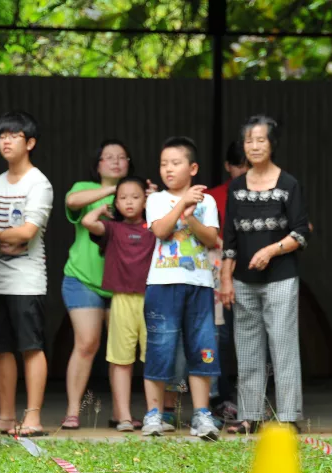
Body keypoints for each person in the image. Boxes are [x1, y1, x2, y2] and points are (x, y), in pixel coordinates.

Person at [220, 115, 310, 434]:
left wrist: (271, 250)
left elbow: (301, 233)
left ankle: (287, 416)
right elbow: (229, 238)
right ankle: (250, 415)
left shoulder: (288, 184)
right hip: (243, 281)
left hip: (281, 277)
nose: (255, 146)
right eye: (249, 141)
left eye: (261, 140)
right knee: (246, 347)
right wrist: (226, 280)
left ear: (272, 144)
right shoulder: (236, 187)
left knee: (284, 346)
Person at [0, 111, 53, 437]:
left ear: (30, 142)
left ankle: (32, 416)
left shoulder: (39, 183)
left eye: (13, 135)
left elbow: (26, 232)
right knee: (0, 349)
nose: (5, 141)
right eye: (1, 136)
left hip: (27, 280)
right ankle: (6, 417)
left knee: (31, 346)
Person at [141, 136, 221, 440]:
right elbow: (161, 230)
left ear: (193, 167)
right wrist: (182, 204)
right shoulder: (157, 199)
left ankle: (202, 415)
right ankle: (153, 415)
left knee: (202, 348)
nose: (168, 169)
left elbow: (212, 239)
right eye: (164, 164)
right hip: (162, 285)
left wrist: (191, 215)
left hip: (200, 285)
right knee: (160, 348)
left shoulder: (208, 201)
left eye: (175, 163)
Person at [62, 140, 139, 430]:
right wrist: (112, 191)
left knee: (122, 350)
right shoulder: (84, 188)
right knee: (87, 343)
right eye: (109, 158)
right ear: (98, 165)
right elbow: (71, 202)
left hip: (122, 284)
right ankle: (72, 411)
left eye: (122, 157)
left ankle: (123, 414)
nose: (116, 162)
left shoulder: (138, 195)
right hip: (83, 278)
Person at [82, 176, 155, 432]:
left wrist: (156, 201)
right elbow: (87, 222)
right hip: (121, 298)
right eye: (123, 198)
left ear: (145, 200)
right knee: (121, 360)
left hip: (151, 299)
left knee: (154, 358)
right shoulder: (112, 228)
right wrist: (101, 210)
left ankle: (153, 414)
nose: (129, 202)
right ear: (116, 202)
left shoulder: (154, 226)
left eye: (136, 196)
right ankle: (123, 416)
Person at [205, 141, 248, 422]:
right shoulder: (212, 197)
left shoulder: (270, 191)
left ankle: (252, 400)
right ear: (228, 167)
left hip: (255, 272)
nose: (244, 171)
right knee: (218, 337)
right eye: (239, 166)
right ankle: (219, 398)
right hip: (217, 272)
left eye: (249, 166)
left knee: (251, 337)